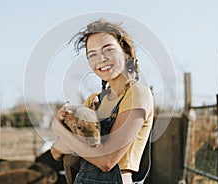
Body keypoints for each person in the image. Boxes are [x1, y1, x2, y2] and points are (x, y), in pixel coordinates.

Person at [51, 18, 154, 184]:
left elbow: (106, 160)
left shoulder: (137, 94)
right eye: (92, 55)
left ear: (126, 52)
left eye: (108, 50)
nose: (101, 59)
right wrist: (78, 141)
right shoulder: (94, 100)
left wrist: (59, 128)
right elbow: (56, 152)